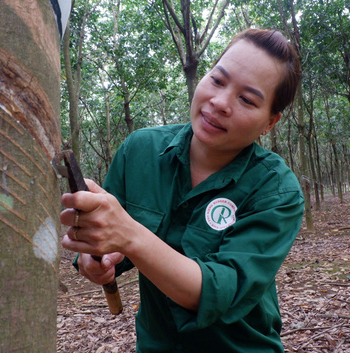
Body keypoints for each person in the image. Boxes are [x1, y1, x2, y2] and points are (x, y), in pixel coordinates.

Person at [60, 28, 304, 353]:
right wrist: (97, 260)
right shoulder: (139, 151)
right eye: (217, 80)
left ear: (270, 122)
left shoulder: (276, 190)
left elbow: (215, 292)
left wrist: (129, 235)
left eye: (246, 99)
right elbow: (107, 242)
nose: (219, 103)